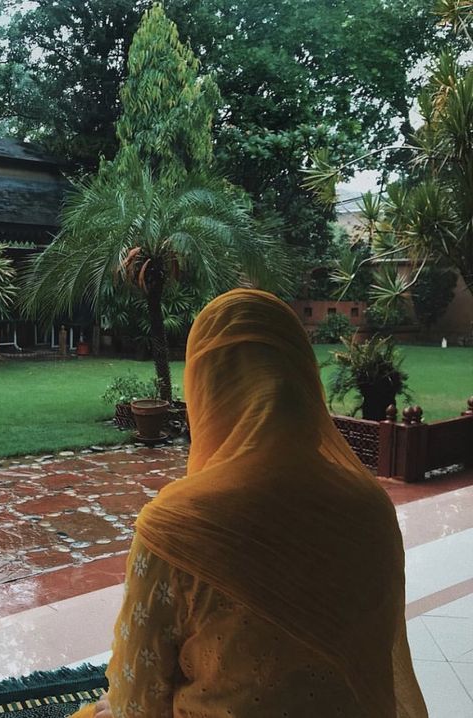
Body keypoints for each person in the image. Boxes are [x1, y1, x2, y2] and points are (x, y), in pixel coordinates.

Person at [74, 289, 427, 718]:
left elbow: (138, 705)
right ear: (303, 381)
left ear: (206, 389)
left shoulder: (176, 527)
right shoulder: (371, 509)